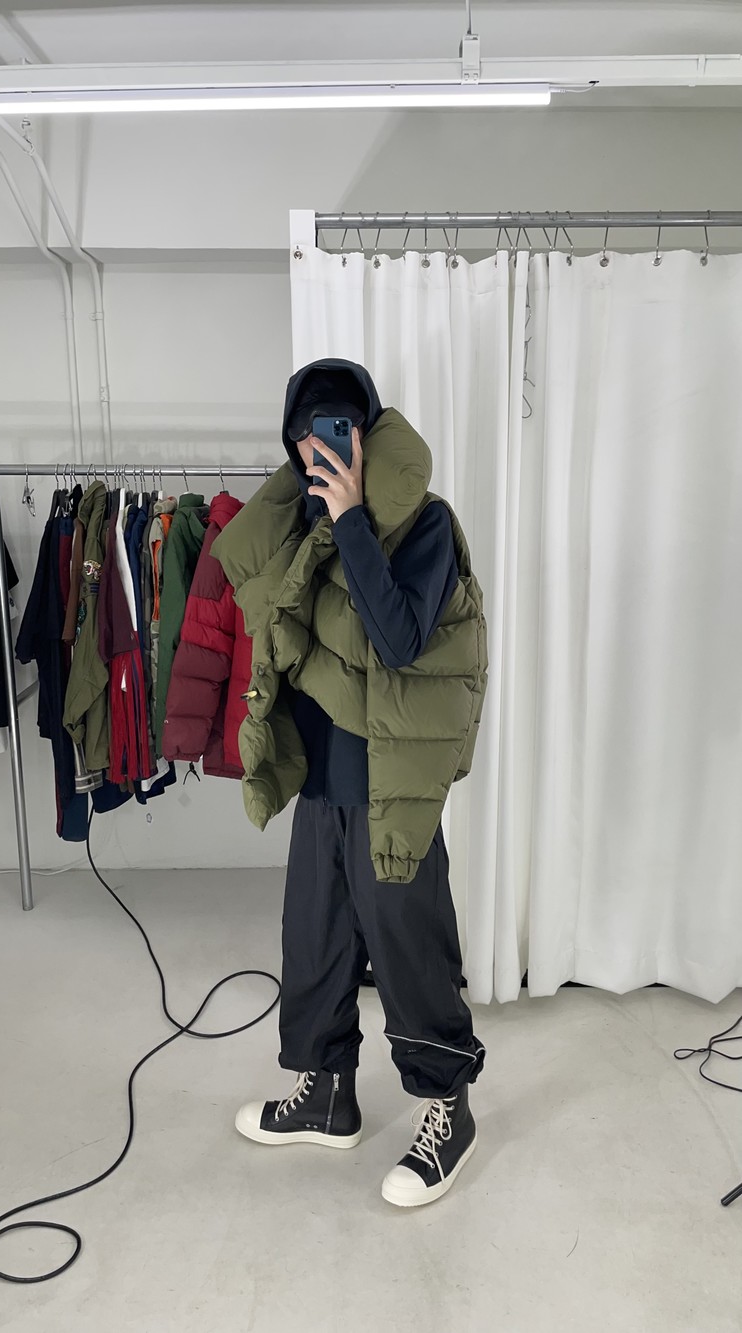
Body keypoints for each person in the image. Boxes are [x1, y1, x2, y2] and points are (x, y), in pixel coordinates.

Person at [212, 358, 488, 1209]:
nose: (322, 447)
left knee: (411, 951)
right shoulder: (303, 527)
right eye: (307, 435)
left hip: (390, 788)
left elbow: (399, 640)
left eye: (339, 429)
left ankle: (448, 1110)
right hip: (325, 784)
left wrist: (354, 519)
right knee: (314, 942)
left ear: (365, 435)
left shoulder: (425, 525)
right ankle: (327, 1096)